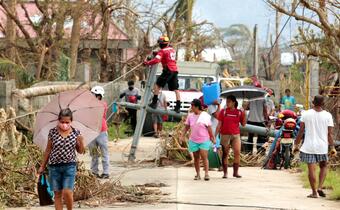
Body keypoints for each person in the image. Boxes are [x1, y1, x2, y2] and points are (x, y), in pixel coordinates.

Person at [38, 108, 85, 210]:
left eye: (67, 122)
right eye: (62, 122)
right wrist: (42, 166)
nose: (64, 124)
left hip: (69, 166)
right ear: (58, 120)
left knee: (67, 191)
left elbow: (80, 151)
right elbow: (48, 150)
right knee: (57, 194)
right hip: (54, 167)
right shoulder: (53, 132)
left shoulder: (76, 133)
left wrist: (81, 142)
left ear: (71, 121)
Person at [294, 95, 337, 198]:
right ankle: (320, 187)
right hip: (322, 146)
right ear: (323, 104)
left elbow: (301, 131)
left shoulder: (306, 114)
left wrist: (296, 144)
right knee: (323, 166)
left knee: (311, 170)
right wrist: (332, 147)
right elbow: (330, 134)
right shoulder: (328, 115)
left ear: (313, 103)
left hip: (309, 147)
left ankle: (314, 193)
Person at [144, 35, 181, 113]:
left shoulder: (162, 51)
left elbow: (156, 60)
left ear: (160, 44)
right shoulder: (172, 50)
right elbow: (167, 53)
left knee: (157, 85)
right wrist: (158, 53)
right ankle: (178, 107)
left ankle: (154, 103)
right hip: (174, 70)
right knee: (176, 89)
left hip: (167, 70)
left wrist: (147, 63)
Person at [181, 99, 215, 181]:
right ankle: (198, 174)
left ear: (197, 107)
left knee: (204, 157)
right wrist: (182, 135)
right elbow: (186, 127)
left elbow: (209, 127)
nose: (191, 108)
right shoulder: (190, 116)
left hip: (204, 140)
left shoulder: (205, 115)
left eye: (192, 106)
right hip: (193, 140)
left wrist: (212, 137)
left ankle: (206, 174)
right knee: (196, 158)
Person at [215, 95, 246, 178]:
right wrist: (214, 136)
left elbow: (243, 124)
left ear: (233, 102)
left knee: (237, 152)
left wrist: (244, 113)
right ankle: (225, 173)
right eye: (226, 101)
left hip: (236, 135)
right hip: (225, 135)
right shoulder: (223, 111)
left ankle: (235, 172)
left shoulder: (239, 112)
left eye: (229, 101)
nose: (227, 103)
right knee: (225, 154)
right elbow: (219, 125)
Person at [89, 86, 110, 179]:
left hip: (101, 131)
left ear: (98, 95)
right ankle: (94, 172)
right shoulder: (89, 105)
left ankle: (106, 172)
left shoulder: (103, 104)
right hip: (91, 132)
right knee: (94, 153)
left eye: (92, 94)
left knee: (104, 152)